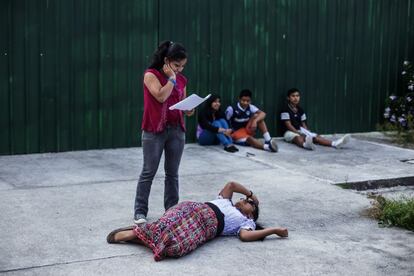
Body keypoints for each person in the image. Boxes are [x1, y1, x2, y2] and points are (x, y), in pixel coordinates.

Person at [107, 181, 288, 261]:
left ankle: (137, 235)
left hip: (204, 229)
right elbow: (232, 184)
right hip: (194, 209)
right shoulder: (225, 200)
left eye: (249, 204)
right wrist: (251, 194)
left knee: (176, 248)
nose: (243, 200)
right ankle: (138, 233)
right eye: (243, 198)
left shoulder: (244, 222)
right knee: (167, 224)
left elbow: (245, 237)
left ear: (251, 215)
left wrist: (272, 230)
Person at [133, 41, 194, 225]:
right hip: (154, 131)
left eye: (183, 66)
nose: (180, 70)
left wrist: (190, 109)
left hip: (176, 130)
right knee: (148, 171)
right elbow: (160, 96)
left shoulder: (182, 80)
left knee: (172, 173)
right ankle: (140, 212)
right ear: (166, 61)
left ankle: (171, 211)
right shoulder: (150, 75)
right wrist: (171, 79)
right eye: (177, 65)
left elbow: (183, 103)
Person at [280, 88, 350, 150]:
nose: (296, 98)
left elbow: (304, 124)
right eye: (293, 96)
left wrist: (307, 132)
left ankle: (335, 143)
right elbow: (288, 125)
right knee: (298, 138)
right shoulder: (285, 109)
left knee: (315, 136)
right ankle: (305, 145)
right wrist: (299, 133)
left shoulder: (301, 110)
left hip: (300, 130)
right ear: (288, 98)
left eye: (297, 96)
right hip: (289, 132)